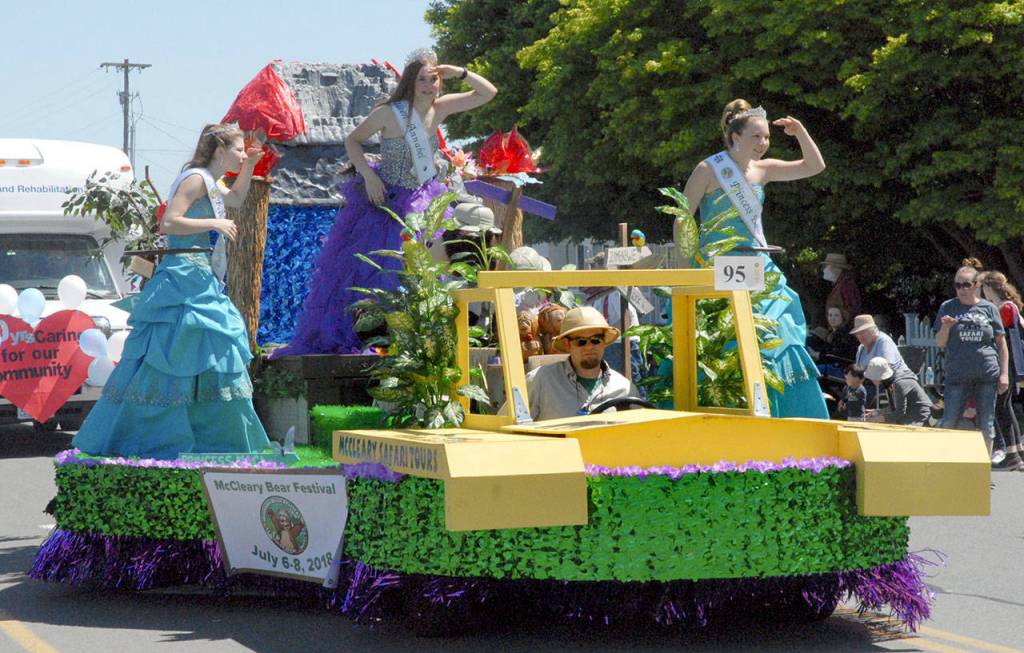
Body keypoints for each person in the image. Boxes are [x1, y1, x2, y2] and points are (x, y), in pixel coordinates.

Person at [274, 49, 497, 356]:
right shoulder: (390, 112)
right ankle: (376, 338)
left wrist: (456, 71)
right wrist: (367, 175)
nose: (428, 85)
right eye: (421, 79)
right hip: (385, 203)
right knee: (376, 271)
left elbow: (488, 93)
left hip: (423, 202)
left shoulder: (441, 108)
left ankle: (421, 339)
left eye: (433, 79)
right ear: (409, 81)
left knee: (430, 269)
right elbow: (352, 141)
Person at [72, 124, 271, 459]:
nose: (241, 154)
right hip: (181, 275)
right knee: (171, 352)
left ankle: (212, 438)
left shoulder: (211, 181)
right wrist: (212, 224)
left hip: (199, 274)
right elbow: (169, 223)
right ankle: (149, 435)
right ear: (219, 149)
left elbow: (237, 198)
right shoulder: (195, 179)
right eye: (238, 150)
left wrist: (249, 165)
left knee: (208, 348)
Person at [682, 98, 828, 418]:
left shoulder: (764, 170)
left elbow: (814, 166)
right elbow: (682, 218)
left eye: (766, 138)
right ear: (735, 137)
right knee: (724, 340)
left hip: (756, 265)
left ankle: (782, 411)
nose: (763, 143)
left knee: (776, 334)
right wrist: (689, 265)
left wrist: (800, 131)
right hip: (717, 266)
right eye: (756, 137)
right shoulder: (708, 169)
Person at [933, 264, 1009, 456]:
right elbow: (940, 343)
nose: (961, 289)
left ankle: (983, 470)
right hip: (958, 375)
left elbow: (1001, 344)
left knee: (986, 423)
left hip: (986, 374)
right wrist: (946, 328)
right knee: (949, 421)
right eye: (957, 285)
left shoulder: (989, 308)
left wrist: (1004, 374)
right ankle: (947, 465)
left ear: (976, 285)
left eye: (966, 284)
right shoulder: (948, 307)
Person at [523, 306, 640, 420]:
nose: (589, 347)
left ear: (604, 342)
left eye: (596, 340)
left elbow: (640, 432)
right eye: (581, 341)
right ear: (566, 344)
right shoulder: (539, 381)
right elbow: (510, 428)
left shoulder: (625, 388)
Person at [979, 271, 1024, 470]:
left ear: (988, 287)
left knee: (1001, 407)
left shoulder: (1004, 308)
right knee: (1006, 407)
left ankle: (1012, 454)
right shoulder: (1010, 306)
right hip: (1012, 364)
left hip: (1007, 364)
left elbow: (994, 334)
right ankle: (1017, 451)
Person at [849, 314, 916, 407]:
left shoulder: (883, 341)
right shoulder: (861, 348)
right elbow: (858, 372)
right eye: (858, 333)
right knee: (849, 397)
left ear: (873, 330)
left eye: (864, 332)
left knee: (860, 398)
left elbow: (886, 368)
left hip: (891, 383)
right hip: (871, 385)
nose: (860, 336)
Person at [863, 356, 932, 426]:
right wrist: (876, 412)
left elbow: (899, 413)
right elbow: (893, 408)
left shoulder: (899, 383)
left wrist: (874, 419)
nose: (870, 379)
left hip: (921, 418)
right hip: (911, 415)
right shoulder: (890, 381)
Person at [821, 253, 862, 320]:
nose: (823, 270)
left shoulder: (846, 285)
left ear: (836, 269)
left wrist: (842, 325)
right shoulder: (840, 285)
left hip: (845, 329)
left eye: (826, 267)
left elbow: (853, 310)